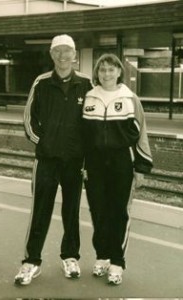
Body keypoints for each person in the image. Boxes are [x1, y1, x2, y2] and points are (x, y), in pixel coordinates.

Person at [14, 34, 92, 285]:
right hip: (46, 160)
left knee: (71, 211)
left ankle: (70, 257)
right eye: (57, 51)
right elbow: (28, 121)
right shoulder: (41, 82)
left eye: (67, 51)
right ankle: (31, 261)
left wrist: (85, 153)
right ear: (51, 55)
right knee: (40, 211)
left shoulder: (87, 84)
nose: (62, 56)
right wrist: (45, 143)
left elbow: (92, 124)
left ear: (74, 55)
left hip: (74, 161)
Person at [82, 53, 153, 285]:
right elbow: (83, 137)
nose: (106, 74)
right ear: (97, 73)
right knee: (98, 211)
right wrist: (82, 165)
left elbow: (141, 133)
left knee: (118, 212)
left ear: (119, 72)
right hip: (94, 165)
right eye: (102, 70)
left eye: (111, 69)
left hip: (122, 162)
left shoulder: (130, 98)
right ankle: (102, 256)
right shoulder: (89, 97)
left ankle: (117, 262)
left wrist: (140, 167)